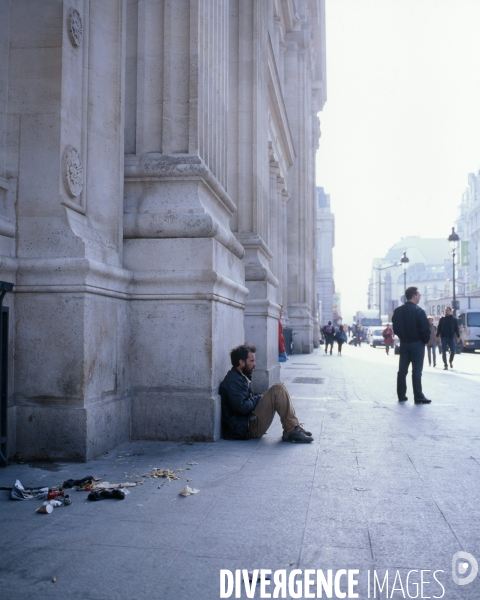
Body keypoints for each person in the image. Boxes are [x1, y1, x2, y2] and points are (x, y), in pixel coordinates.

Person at [219, 344, 313, 443]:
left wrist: (260, 397)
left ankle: (292, 427)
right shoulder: (233, 381)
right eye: (252, 361)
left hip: (247, 424)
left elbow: (244, 401)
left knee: (279, 386)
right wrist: (258, 397)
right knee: (277, 388)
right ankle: (291, 430)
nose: (255, 364)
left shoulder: (239, 377)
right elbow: (242, 408)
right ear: (241, 362)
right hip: (246, 429)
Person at [391, 286, 431, 404]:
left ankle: (401, 395)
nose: (419, 297)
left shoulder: (398, 311)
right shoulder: (419, 311)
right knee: (417, 371)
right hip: (417, 343)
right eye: (418, 295)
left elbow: (396, 328)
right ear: (414, 296)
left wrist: (402, 337)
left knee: (402, 371)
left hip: (404, 343)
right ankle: (418, 396)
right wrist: (424, 340)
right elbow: (425, 329)